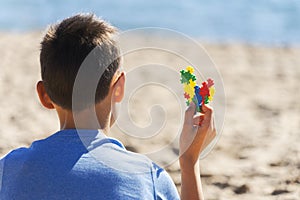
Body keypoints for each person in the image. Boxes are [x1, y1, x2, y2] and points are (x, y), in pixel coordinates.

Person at [0, 14, 216, 200]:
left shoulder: (8, 170)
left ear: (44, 95)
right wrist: (189, 162)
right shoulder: (146, 177)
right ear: (119, 87)